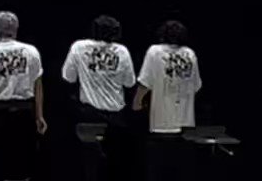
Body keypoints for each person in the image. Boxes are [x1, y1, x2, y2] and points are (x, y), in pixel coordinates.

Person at [61, 15, 137, 181]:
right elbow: (130, 82)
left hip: (88, 115)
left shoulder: (79, 47)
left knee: (88, 163)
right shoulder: (122, 51)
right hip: (115, 117)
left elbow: (68, 77)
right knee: (114, 165)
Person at [0, 11, 46, 181]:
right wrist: (39, 116)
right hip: (26, 113)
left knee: (0, 166)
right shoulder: (32, 51)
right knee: (24, 166)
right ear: (16, 29)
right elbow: (38, 86)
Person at [133, 20, 200, 181]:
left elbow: (145, 82)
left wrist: (137, 102)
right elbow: (196, 85)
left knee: (157, 173)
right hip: (184, 126)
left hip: (160, 125)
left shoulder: (154, 51)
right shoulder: (190, 54)